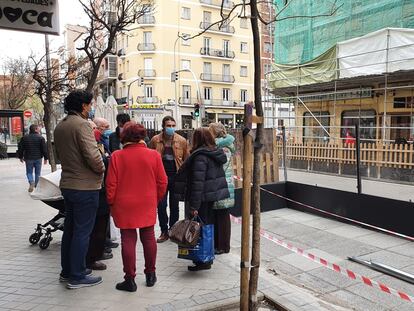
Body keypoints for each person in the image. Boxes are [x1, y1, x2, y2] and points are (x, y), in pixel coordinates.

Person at [106, 121, 167, 292]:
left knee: (128, 239)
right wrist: (155, 199)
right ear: (143, 136)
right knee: (148, 237)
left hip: (123, 203)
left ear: (124, 136)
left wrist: (111, 202)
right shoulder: (153, 155)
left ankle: (130, 279)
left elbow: (111, 184)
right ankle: (150, 274)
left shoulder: (117, 156)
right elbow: (162, 182)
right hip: (147, 201)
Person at [54, 90, 105, 289]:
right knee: (82, 232)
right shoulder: (82, 125)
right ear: (83, 106)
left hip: (68, 184)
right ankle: (77, 275)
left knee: (70, 230)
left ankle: (68, 271)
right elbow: (93, 157)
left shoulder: (62, 125)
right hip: (85, 186)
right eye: (90, 104)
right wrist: (102, 168)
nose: (91, 108)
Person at [174, 127, 229, 271]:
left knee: (200, 229)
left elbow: (198, 183)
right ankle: (206, 257)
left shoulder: (200, 156)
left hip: (202, 198)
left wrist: (194, 207)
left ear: (197, 139)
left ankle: (203, 260)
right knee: (207, 227)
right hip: (210, 196)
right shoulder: (213, 152)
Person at [149, 116, 190, 243]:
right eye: (168, 125)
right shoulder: (155, 140)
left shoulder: (181, 140)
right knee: (161, 205)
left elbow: (186, 159)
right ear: (163, 126)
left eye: (173, 125)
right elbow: (150, 158)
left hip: (176, 176)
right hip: (160, 177)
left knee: (175, 205)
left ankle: (173, 230)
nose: (171, 128)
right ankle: (163, 231)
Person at [85, 120, 111, 271]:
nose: (99, 131)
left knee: (100, 226)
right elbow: (100, 165)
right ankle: (92, 258)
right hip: (95, 189)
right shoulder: (90, 145)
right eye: (95, 128)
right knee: (96, 227)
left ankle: (96, 254)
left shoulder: (99, 143)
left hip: (99, 189)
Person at [209, 123, 235, 255]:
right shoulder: (225, 145)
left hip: (222, 185)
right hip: (223, 184)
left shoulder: (221, 147)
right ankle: (221, 245)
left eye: (210, 131)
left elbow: (221, 166)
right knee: (221, 216)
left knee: (222, 217)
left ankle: (223, 246)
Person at [17, 124, 48, 192]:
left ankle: (31, 182)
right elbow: (44, 149)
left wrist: (20, 157)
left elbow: (21, 148)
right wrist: (46, 158)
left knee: (29, 172)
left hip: (28, 158)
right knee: (37, 173)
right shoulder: (41, 138)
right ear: (35, 129)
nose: (39, 129)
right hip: (38, 158)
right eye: (38, 128)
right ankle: (36, 186)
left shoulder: (24, 138)